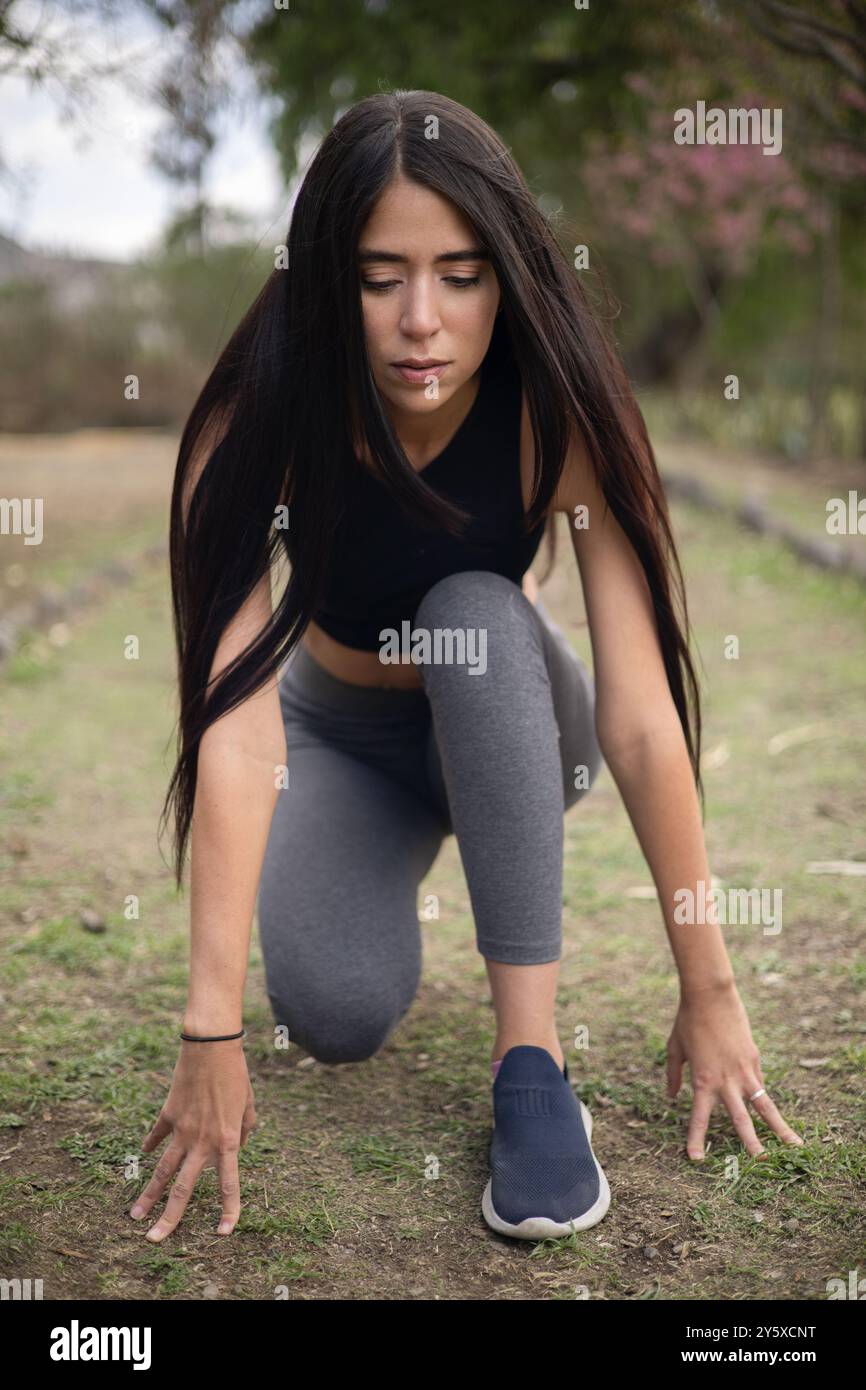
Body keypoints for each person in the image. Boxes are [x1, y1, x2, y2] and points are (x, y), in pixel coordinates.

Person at [130, 89, 803, 1247]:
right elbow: (236, 725)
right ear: (323, 278)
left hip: (524, 723)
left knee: (478, 615)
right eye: (379, 276)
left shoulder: (563, 414)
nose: (421, 320)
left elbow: (640, 719)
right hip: (343, 734)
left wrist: (708, 988)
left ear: (508, 273)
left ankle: (530, 1069)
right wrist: (208, 1029)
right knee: (333, 1013)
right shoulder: (253, 424)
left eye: (461, 273)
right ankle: (426, 865)